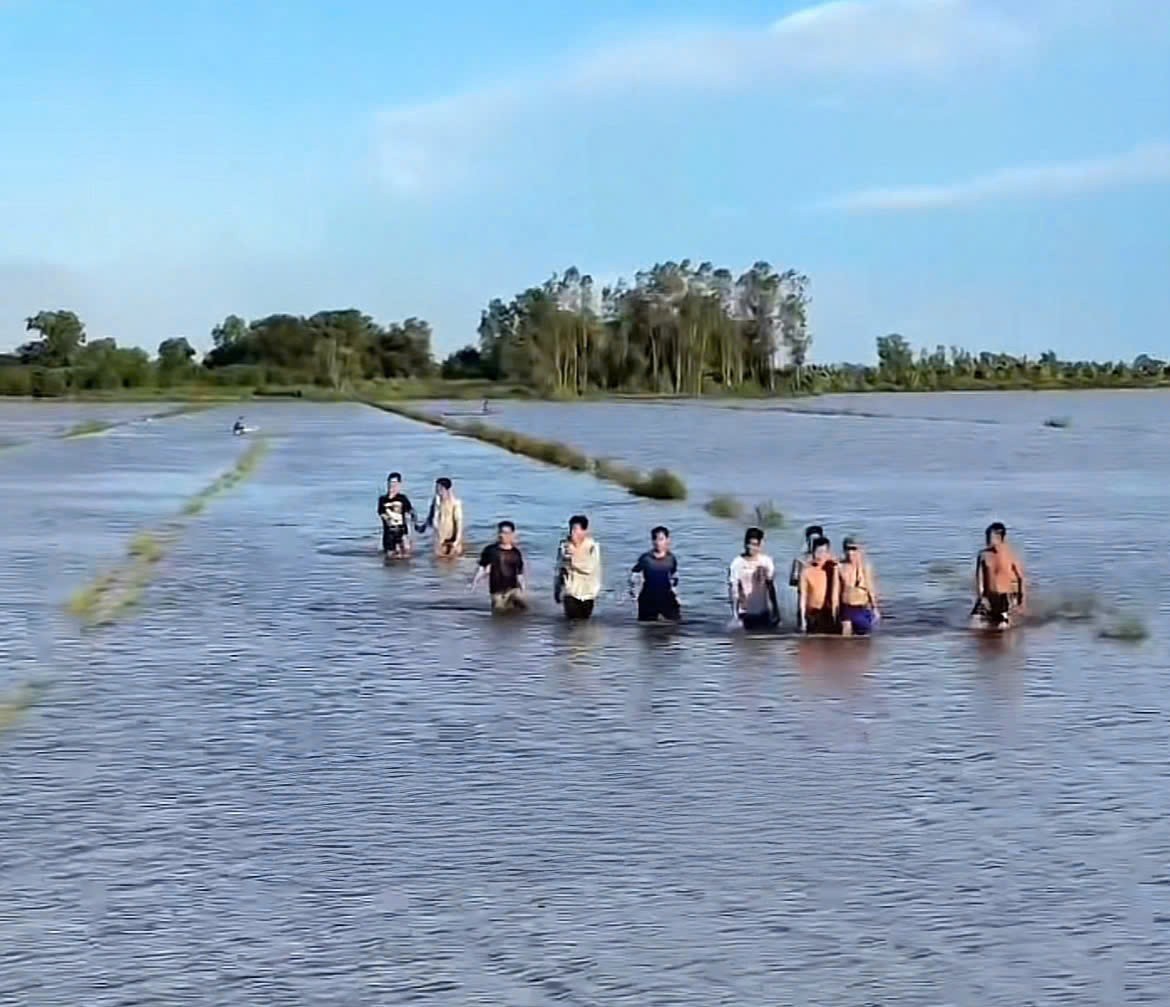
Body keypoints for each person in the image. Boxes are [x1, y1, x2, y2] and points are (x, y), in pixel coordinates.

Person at [971, 522, 1026, 628]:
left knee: (1003, 629)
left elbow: (1020, 578)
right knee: (974, 624)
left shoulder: (1010, 554)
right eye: (986, 536)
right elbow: (979, 579)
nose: (987, 540)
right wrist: (981, 597)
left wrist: (1021, 601)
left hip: (1004, 597)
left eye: (989, 537)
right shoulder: (983, 555)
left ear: (1000, 537)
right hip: (988, 596)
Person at [728, 527, 780, 630]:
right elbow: (733, 591)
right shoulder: (736, 564)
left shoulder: (766, 562)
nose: (751, 548)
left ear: (761, 545)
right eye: (749, 544)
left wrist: (776, 610)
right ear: (745, 544)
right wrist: (735, 615)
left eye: (755, 545)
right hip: (745, 613)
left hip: (763, 611)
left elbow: (771, 587)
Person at [629, 526, 681, 623]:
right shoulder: (646, 559)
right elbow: (634, 574)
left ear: (667, 540)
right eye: (655, 539)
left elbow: (674, 577)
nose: (657, 543)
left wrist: (676, 595)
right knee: (646, 628)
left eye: (661, 539)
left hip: (666, 596)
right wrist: (634, 594)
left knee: (675, 624)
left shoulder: (671, 558)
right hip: (648, 597)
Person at [472, 521, 526, 612]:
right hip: (496, 590)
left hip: (512, 589)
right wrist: (475, 581)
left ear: (512, 535)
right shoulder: (490, 550)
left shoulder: (516, 553)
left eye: (505, 533)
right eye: (500, 532)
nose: (502, 535)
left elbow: (519, 574)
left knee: (521, 610)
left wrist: (523, 588)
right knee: (498, 612)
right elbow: (482, 568)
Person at [555, 514, 601, 620]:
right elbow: (558, 568)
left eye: (576, 530)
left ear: (585, 531)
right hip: (570, 591)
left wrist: (573, 558)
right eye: (571, 529)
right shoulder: (564, 546)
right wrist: (557, 589)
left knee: (584, 624)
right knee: (572, 624)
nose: (572, 533)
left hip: (588, 593)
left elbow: (589, 568)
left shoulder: (593, 547)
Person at [836, 536, 880, 636]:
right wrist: (835, 609)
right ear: (844, 550)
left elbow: (870, 588)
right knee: (845, 638)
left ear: (859, 551)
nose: (851, 552)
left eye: (853, 549)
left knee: (863, 641)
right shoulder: (840, 567)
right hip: (847, 607)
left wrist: (875, 608)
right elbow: (836, 590)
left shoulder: (865, 567)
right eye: (848, 549)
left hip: (862, 607)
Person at [799, 536, 838, 634]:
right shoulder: (806, 572)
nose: (820, 556)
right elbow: (802, 597)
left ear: (828, 553)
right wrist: (803, 619)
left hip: (828, 612)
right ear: (812, 552)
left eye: (824, 552)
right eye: (818, 552)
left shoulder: (833, 568)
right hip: (812, 613)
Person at [417, 477, 464, 558]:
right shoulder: (436, 501)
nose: (436, 490)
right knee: (439, 562)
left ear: (445, 489)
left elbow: (458, 523)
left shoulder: (455, 503)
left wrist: (457, 540)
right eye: (436, 488)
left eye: (438, 488)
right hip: (439, 536)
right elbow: (430, 516)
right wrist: (424, 526)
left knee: (454, 562)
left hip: (452, 537)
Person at [789, 524, 825, 620]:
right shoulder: (800, 560)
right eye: (810, 540)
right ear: (807, 541)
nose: (813, 543)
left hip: (824, 604)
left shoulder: (827, 559)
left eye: (816, 540)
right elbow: (792, 581)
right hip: (804, 603)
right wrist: (805, 579)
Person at [377, 472, 416, 558]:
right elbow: (381, 513)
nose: (392, 485)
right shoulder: (382, 499)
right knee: (390, 558)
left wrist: (412, 532)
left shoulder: (402, 498)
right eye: (390, 482)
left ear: (399, 484)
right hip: (389, 533)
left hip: (402, 531)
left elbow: (411, 512)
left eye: (394, 483)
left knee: (406, 557)